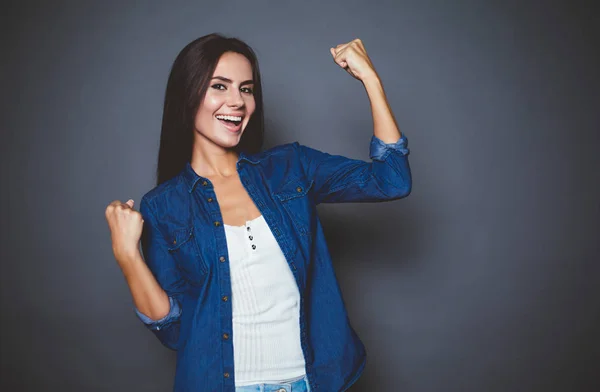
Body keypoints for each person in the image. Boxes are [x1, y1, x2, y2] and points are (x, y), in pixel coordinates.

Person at [105, 33, 411, 392]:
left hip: (310, 383)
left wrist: (371, 80)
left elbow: (391, 181)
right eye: (220, 86)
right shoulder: (163, 206)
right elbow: (174, 330)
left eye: (246, 89)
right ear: (187, 96)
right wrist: (127, 256)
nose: (237, 102)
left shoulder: (289, 167)